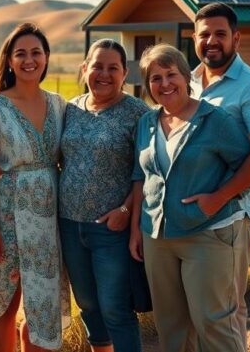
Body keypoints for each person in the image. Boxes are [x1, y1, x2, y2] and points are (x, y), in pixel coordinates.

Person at [128, 44, 250, 352]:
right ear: (148, 86)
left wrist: (218, 197)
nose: (165, 83)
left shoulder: (216, 120)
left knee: (214, 323)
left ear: (186, 77)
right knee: (171, 327)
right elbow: (139, 177)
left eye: (171, 74)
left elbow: (248, 164)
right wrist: (136, 230)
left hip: (208, 233)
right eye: (155, 78)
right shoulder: (146, 123)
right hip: (157, 237)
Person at [184, 2, 250, 347]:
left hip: (230, 217)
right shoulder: (188, 82)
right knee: (206, 314)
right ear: (193, 39)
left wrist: (219, 197)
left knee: (222, 313)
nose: (212, 41)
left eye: (220, 34)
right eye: (204, 34)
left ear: (236, 38)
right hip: (192, 218)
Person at [0, 22, 70, 352]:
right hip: (9, 219)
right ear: (10, 60)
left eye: (36, 52)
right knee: (6, 301)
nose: (29, 60)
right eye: (21, 54)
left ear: (46, 57)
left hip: (49, 221)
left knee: (43, 305)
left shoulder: (59, 104)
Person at [59, 39, 149, 352]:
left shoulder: (138, 112)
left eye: (113, 68)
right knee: (88, 305)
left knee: (114, 307)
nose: (104, 74)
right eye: (98, 66)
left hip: (112, 228)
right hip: (70, 224)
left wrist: (125, 211)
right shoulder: (70, 108)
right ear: (85, 69)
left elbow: (147, 171)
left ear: (125, 74)